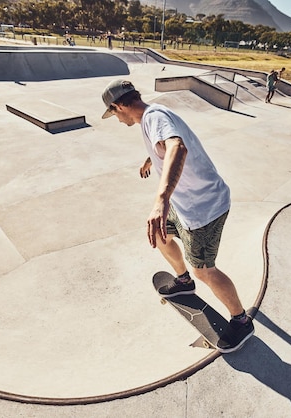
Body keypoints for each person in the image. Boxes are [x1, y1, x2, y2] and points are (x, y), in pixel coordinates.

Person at [101, 80, 255, 353]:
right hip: (185, 205)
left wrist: (161, 198)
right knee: (160, 235)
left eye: (114, 114)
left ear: (119, 105)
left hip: (205, 208)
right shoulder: (151, 118)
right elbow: (166, 147)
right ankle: (183, 281)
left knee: (205, 270)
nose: (116, 119)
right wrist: (151, 158)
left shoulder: (154, 116)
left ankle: (241, 320)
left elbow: (178, 148)